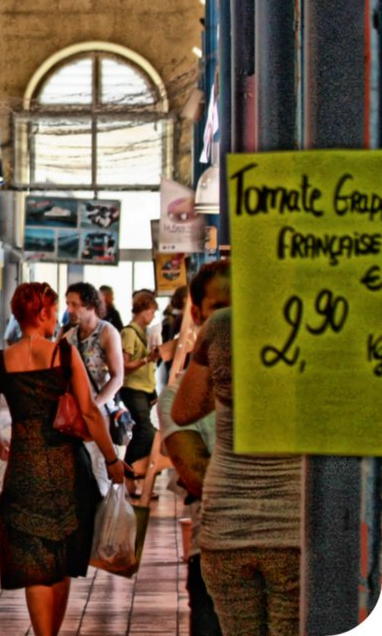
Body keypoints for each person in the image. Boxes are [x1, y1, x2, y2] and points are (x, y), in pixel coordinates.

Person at [0, 282, 128, 636]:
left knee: (35, 564)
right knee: (59, 562)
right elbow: (91, 413)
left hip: (24, 471)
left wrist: (2, 443)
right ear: (44, 313)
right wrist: (111, 460)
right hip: (66, 470)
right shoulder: (63, 354)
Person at [173, 264, 301, 636]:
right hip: (292, 527)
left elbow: (184, 410)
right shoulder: (308, 328)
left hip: (226, 526)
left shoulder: (220, 326)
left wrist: (229, 386)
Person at [157, 263, 228, 636]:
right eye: (221, 308)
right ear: (198, 315)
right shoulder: (176, 399)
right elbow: (197, 478)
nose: (232, 319)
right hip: (215, 550)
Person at [63, 282, 125, 495]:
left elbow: (118, 378)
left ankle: (104, 524)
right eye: (67, 304)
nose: (69, 310)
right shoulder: (68, 336)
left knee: (101, 474)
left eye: (74, 304)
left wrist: (93, 406)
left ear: (90, 305)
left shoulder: (107, 333)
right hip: (75, 417)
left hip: (100, 415)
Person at [120, 290, 160, 497]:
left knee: (144, 433)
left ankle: (137, 477)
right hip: (132, 388)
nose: (153, 316)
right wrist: (147, 359)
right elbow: (124, 365)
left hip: (145, 388)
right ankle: (129, 471)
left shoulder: (146, 333)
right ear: (142, 310)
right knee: (147, 431)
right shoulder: (129, 333)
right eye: (151, 311)